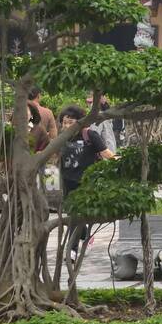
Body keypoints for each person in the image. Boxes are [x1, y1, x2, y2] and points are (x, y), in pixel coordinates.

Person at [58, 105, 116, 262]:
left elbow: (106, 154)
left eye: (70, 122)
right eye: (64, 122)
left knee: (76, 216)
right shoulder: (62, 137)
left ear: (81, 122)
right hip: (68, 182)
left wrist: (122, 164)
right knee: (73, 215)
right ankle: (86, 236)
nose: (66, 126)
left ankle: (72, 251)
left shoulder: (90, 135)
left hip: (86, 182)